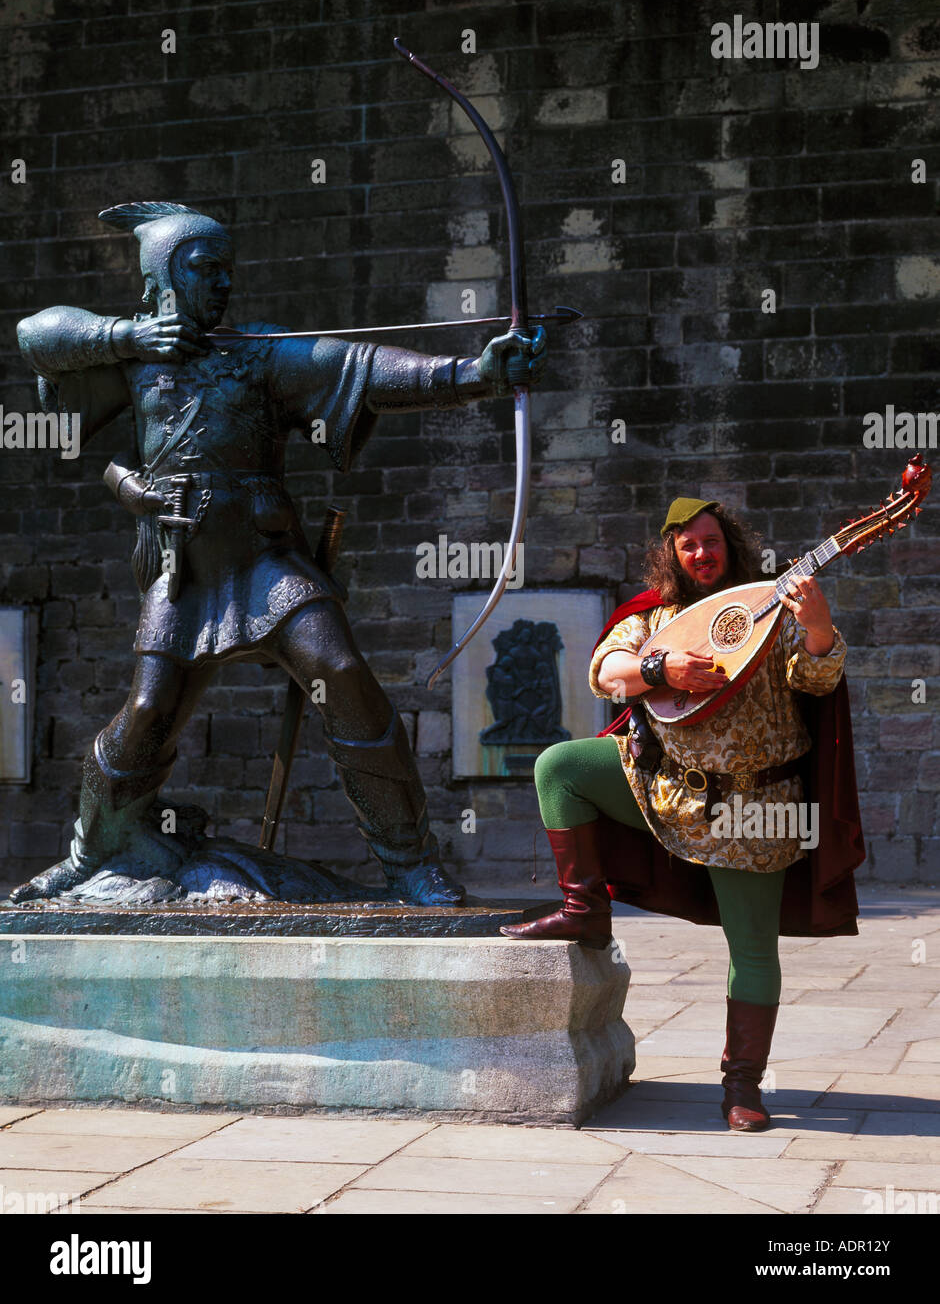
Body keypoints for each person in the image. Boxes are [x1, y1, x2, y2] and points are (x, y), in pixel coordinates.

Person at [14, 201, 545, 907]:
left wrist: (475, 374)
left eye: (228, 271)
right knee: (147, 712)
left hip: (266, 565)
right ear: (163, 278)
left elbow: (361, 365)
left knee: (340, 670)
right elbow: (34, 335)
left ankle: (410, 864)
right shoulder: (134, 358)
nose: (224, 284)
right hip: (183, 572)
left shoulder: (258, 353)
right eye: (206, 271)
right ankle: (91, 850)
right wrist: (127, 336)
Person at [501, 496, 865, 1131]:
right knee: (560, 765)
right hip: (670, 788)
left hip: (754, 810)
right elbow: (605, 673)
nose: (703, 552)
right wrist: (657, 666)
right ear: (671, 552)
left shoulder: (774, 608)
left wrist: (818, 625)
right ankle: (584, 909)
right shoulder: (659, 617)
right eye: (689, 544)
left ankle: (743, 1086)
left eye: (713, 541)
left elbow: (817, 680)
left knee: (752, 951)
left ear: (732, 545)